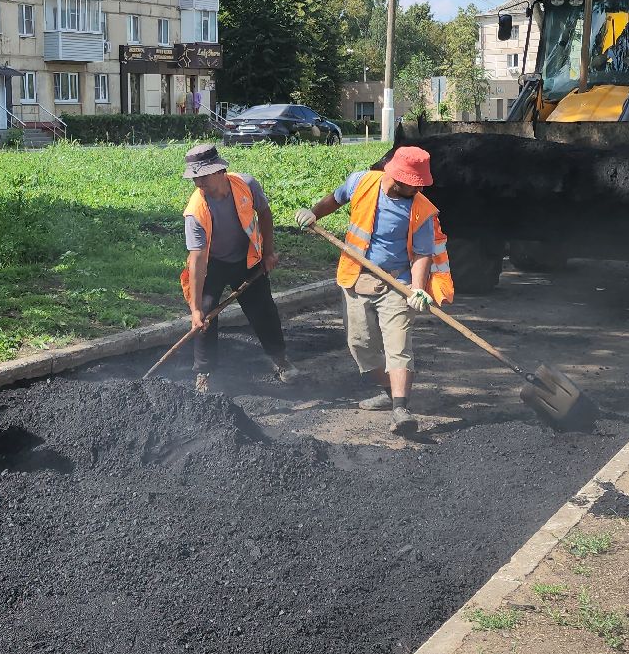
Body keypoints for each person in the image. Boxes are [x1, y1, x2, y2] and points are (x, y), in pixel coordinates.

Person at [294, 145, 454, 437]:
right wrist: (313, 213)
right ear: (396, 176)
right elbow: (335, 198)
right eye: (414, 183)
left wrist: (417, 290)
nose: (418, 188)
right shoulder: (362, 182)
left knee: (398, 346)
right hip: (357, 278)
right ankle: (388, 390)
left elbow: (423, 254)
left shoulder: (421, 209)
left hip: (398, 284)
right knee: (360, 345)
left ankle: (401, 409)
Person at [180, 144, 300, 393]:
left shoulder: (246, 184)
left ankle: (281, 360)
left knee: (264, 311)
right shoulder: (195, 212)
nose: (198, 183)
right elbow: (198, 259)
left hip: (247, 259)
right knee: (205, 317)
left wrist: (268, 253)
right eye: (195, 178)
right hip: (212, 264)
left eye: (202, 177)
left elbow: (264, 214)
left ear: (219, 171)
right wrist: (195, 308)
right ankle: (204, 372)